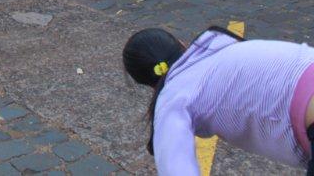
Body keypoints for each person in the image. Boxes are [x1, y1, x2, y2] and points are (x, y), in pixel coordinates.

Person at [122, 26, 314, 175]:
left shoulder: (173, 97)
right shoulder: (217, 45)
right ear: (182, 44)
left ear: (146, 83)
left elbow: (176, 168)